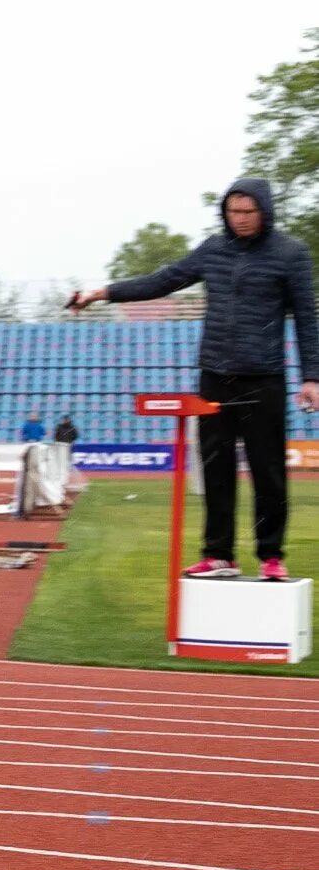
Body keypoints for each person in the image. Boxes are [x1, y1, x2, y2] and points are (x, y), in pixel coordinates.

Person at [73, 177, 319, 580]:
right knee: (215, 470)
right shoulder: (213, 249)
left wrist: (312, 377)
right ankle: (219, 554)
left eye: (248, 212)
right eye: (232, 211)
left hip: (264, 379)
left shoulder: (291, 253)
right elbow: (163, 280)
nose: (239, 219)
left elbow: (307, 318)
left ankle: (271, 557)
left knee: (268, 472)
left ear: (265, 211)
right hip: (214, 377)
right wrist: (102, 293)